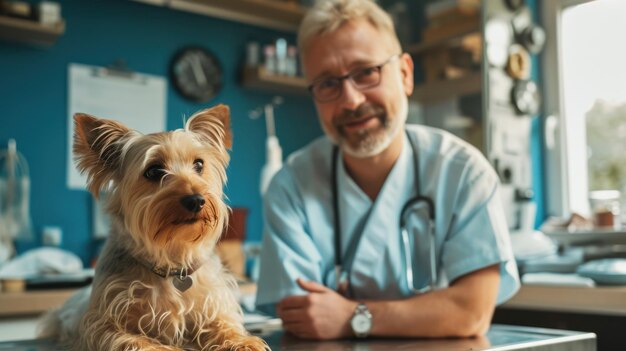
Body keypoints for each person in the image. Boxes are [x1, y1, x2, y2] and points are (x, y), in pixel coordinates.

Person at [255, 0, 520, 340]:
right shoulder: (291, 186)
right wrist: (428, 312)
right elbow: (304, 316)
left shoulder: (463, 173)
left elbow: (471, 312)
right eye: (327, 84)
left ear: (405, 74)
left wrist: (353, 316)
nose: (350, 100)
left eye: (366, 72)